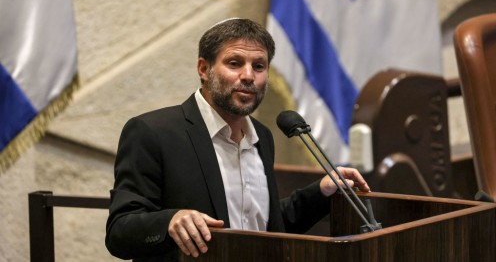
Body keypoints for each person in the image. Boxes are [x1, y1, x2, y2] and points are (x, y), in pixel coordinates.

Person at [105, 18, 370, 261]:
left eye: (259, 66)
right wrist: (170, 221)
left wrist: (320, 192)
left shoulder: (261, 137)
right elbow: (120, 232)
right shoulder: (152, 132)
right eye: (234, 63)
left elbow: (262, 226)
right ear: (203, 68)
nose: (248, 76)